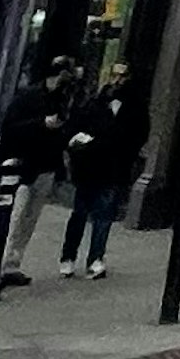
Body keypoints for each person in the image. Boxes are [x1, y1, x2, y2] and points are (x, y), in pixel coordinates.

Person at [0, 60, 65, 282]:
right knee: (15, 215)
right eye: (61, 75)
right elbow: (10, 127)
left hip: (45, 166)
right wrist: (42, 123)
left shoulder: (59, 100)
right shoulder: (27, 97)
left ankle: (13, 263)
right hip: (23, 167)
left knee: (30, 219)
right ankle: (0, 262)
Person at [56, 82, 135, 276]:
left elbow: (134, 136)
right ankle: (69, 257)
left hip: (109, 171)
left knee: (102, 217)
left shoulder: (128, 112)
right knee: (81, 215)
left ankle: (95, 258)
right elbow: (71, 135)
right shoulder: (89, 110)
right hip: (89, 170)